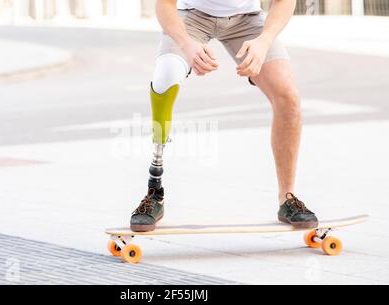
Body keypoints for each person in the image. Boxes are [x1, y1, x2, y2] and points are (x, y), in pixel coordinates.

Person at [130, 0, 318, 232]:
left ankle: (287, 198)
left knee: (288, 96)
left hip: (247, 19)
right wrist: (187, 45)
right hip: (193, 17)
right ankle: (154, 190)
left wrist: (264, 41)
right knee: (164, 78)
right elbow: (164, 5)